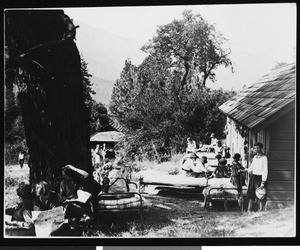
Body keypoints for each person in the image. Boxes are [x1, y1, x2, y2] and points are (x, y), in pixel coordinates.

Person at [243, 142, 268, 212]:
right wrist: (245, 170)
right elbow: (252, 167)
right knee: (251, 194)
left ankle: (260, 210)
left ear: (261, 148)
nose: (256, 149)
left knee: (260, 194)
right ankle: (249, 210)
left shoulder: (264, 158)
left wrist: (263, 182)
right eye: (255, 148)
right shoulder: (255, 157)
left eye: (258, 148)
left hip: (260, 178)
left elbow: (265, 170)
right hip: (254, 177)